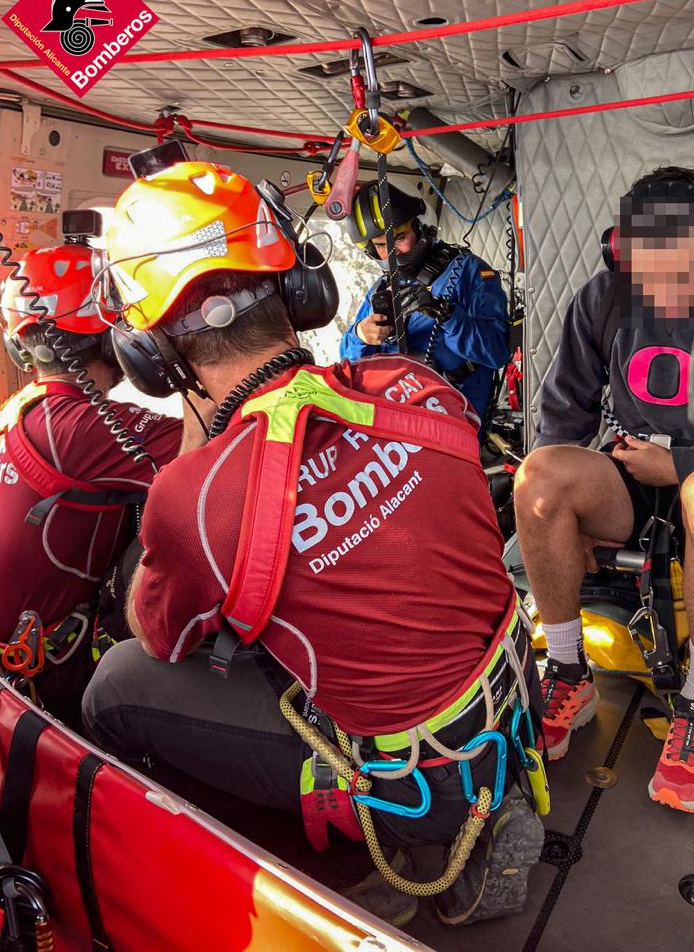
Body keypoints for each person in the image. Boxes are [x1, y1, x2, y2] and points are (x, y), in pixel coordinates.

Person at [82, 153, 545, 928]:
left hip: (410, 780)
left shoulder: (196, 496)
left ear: (153, 356)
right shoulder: (416, 388)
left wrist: (196, 442)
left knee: (117, 682)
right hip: (506, 707)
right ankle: (475, 815)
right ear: (300, 291)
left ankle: (343, 868)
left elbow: (158, 635)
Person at [514, 166, 694, 814]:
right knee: (539, 476)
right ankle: (567, 670)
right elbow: (562, 417)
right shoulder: (606, 297)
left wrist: (682, 462)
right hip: (632, 480)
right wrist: (568, 519)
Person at [0, 242, 182, 724]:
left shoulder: (18, 411)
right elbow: (223, 453)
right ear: (111, 339)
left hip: (13, 664)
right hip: (55, 676)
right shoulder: (77, 428)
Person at [340, 182, 511, 424]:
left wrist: (447, 315)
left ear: (422, 227)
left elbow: (497, 352)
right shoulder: (381, 289)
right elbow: (347, 364)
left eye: (399, 238)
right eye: (380, 245)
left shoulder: (469, 271)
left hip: (456, 417)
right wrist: (360, 335)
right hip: (398, 420)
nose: (392, 252)